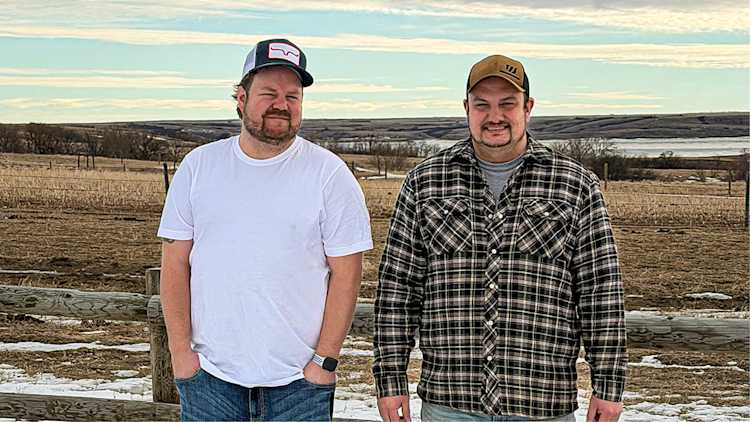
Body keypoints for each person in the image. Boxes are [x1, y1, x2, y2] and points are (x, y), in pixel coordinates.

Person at [373, 54, 627, 422]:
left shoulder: (575, 184)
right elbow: (398, 289)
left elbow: (600, 292)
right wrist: (390, 378)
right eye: (482, 105)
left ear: (528, 107)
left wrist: (609, 386)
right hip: (450, 403)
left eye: (507, 104)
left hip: (542, 403)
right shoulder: (426, 182)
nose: (495, 116)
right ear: (466, 109)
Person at [158, 38, 373, 421]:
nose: (282, 104)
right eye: (269, 93)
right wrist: (181, 354)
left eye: (293, 96)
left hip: (299, 385)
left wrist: (323, 362)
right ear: (240, 97)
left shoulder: (329, 175)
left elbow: (347, 274)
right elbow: (175, 263)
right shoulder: (199, 167)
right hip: (211, 378)